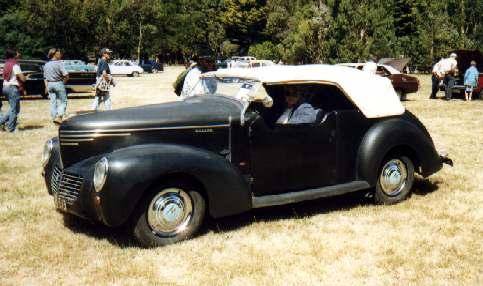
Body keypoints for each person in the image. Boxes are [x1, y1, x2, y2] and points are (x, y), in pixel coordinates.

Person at [0, 49, 25, 132]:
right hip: (12, 87)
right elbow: (22, 78)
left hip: (5, 87)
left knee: (13, 109)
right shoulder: (15, 65)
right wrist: (25, 77)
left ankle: (2, 122)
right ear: (14, 55)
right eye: (17, 53)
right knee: (14, 109)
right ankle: (11, 128)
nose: (19, 54)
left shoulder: (6, 64)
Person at [44, 48, 69, 124]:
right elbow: (66, 75)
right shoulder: (59, 63)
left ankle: (54, 118)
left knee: (53, 102)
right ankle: (59, 117)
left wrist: (46, 87)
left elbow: (45, 78)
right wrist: (63, 83)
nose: (61, 55)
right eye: (59, 53)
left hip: (49, 84)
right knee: (63, 101)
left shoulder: (46, 64)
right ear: (55, 54)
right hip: (58, 83)